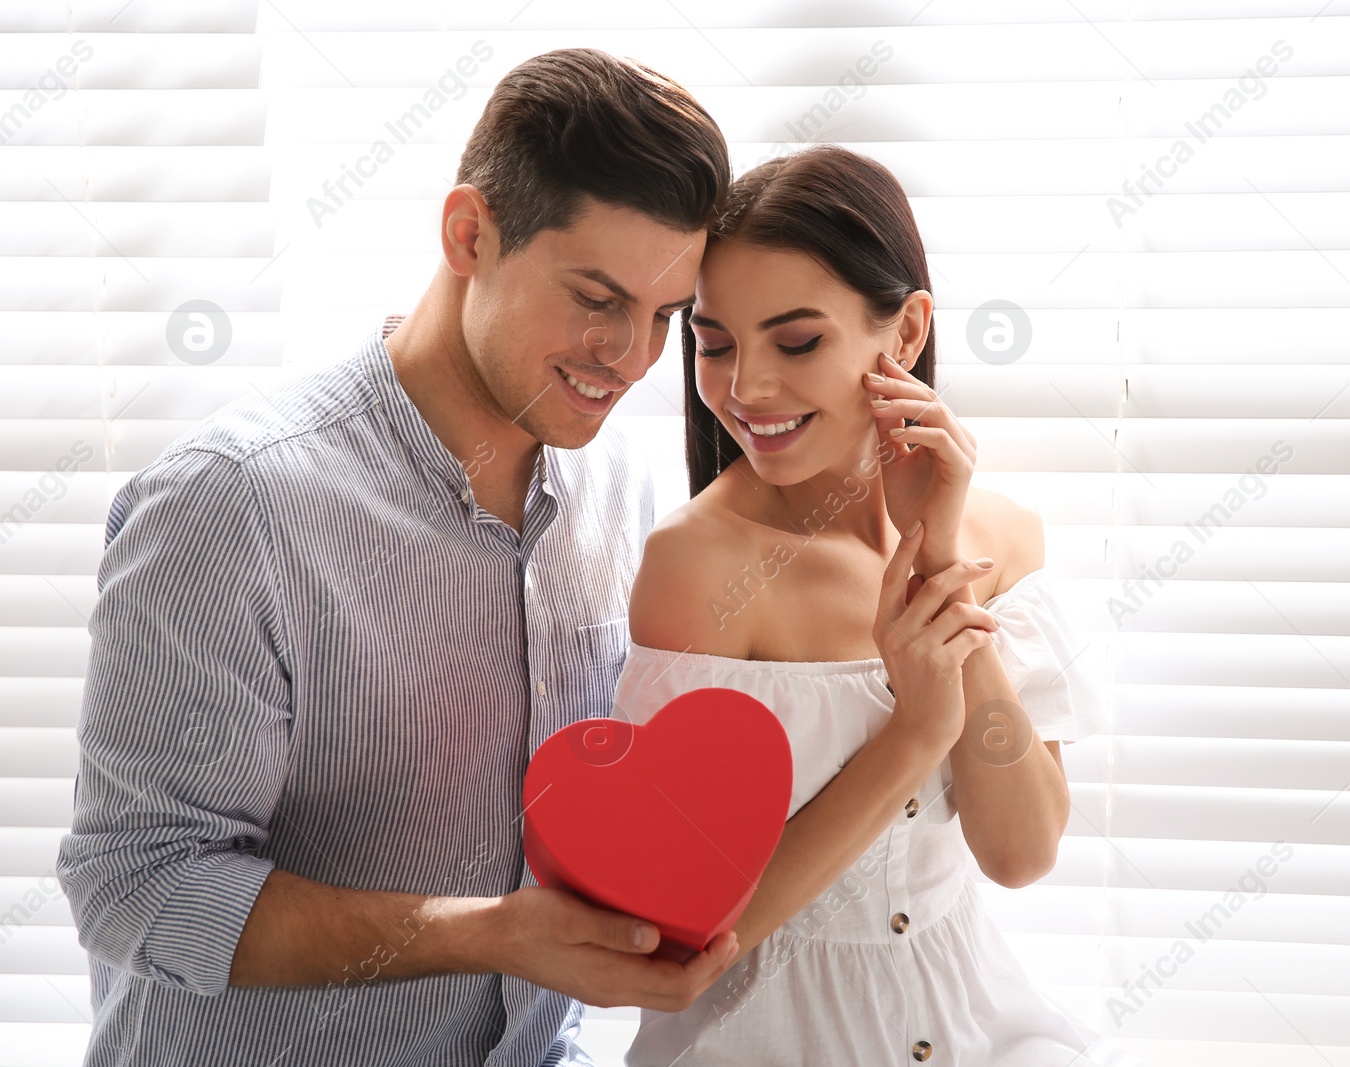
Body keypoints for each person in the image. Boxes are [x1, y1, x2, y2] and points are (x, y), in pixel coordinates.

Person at [56, 49, 741, 1066]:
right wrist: (486, 933)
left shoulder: (620, 488)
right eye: (597, 297)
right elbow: (137, 883)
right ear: (470, 232)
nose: (633, 358)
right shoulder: (234, 504)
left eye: (665, 317)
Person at [617, 146, 1147, 1065]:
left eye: (796, 341)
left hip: (979, 1026)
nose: (746, 389)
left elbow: (1020, 853)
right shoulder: (697, 568)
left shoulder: (1004, 538)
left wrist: (941, 563)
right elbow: (689, 934)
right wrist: (913, 732)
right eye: (715, 343)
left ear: (904, 334)